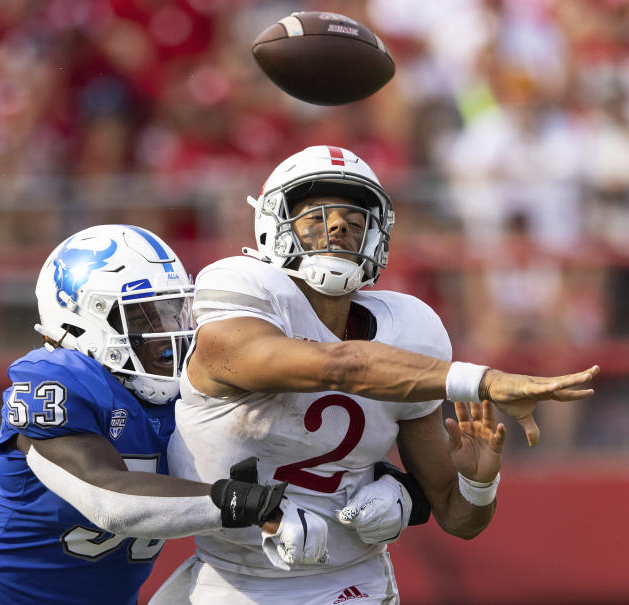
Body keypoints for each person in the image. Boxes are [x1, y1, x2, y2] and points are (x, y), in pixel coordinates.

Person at [156, 145, 600, 603]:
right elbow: (341, 366)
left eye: (354, 220)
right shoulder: (237, 290)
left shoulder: (408, 328)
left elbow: (459, 518)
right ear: (276, 225)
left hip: (352, 584)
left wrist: (479, 483)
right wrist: (482, 380)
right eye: (316, 218)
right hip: (233, 582)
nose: (339, 228)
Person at [0, 224, 416, 605]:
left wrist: (393, 488)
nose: (169, 333)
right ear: (80, 321)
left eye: (174, 312)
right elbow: (109, 499)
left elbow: (295, 447)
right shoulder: (56, 377)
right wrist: (252, 505)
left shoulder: (189, 391)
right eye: (145, 316)